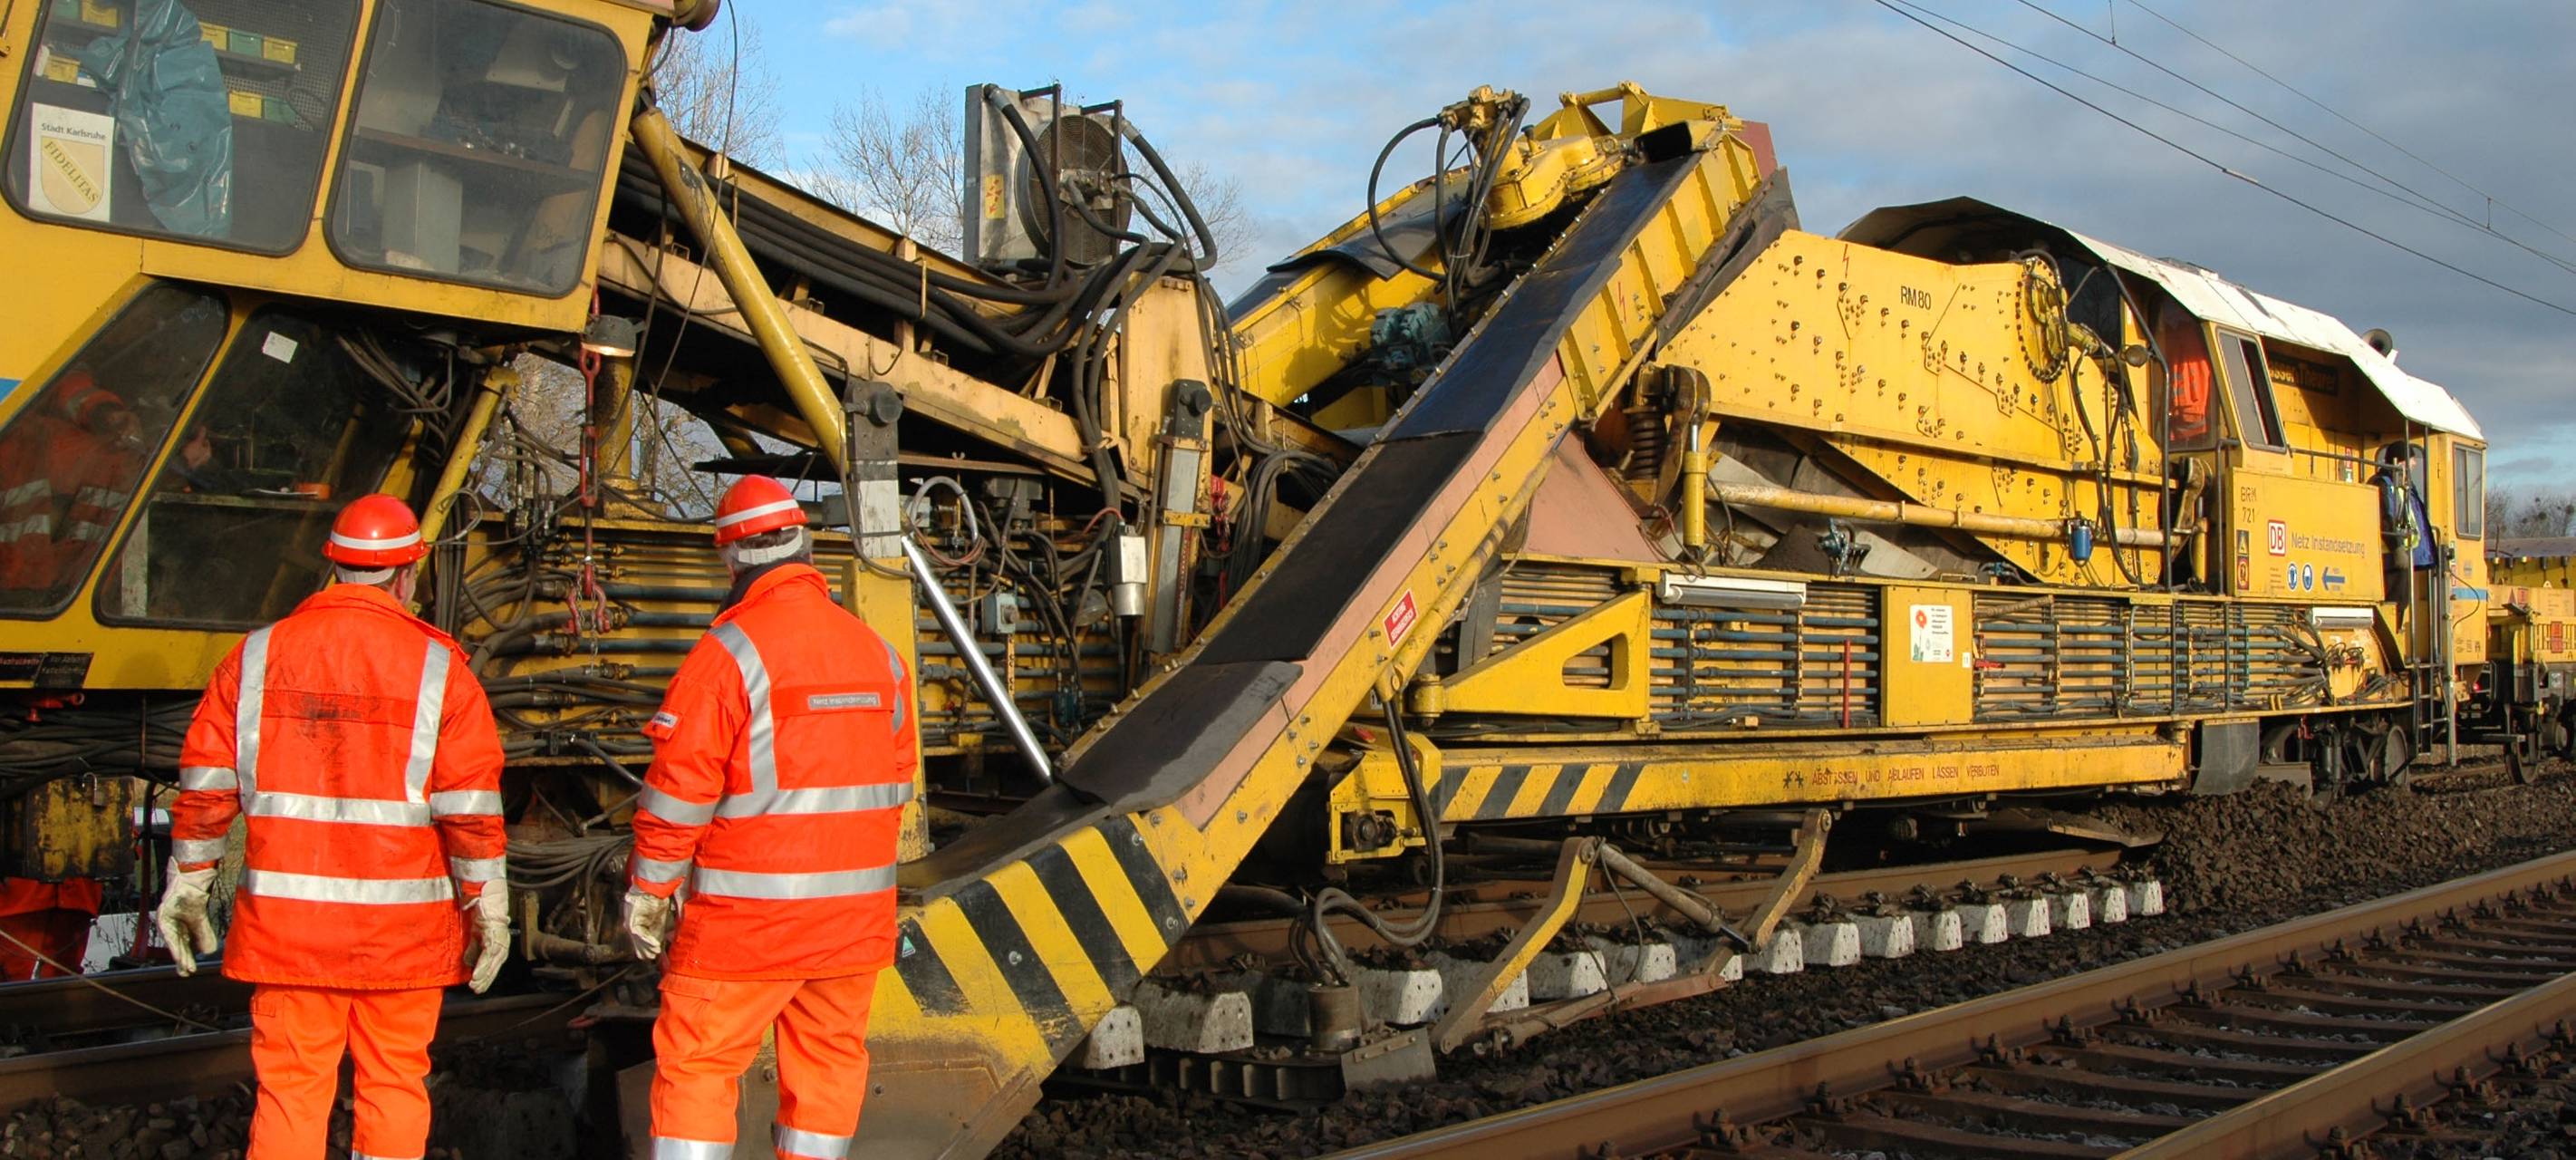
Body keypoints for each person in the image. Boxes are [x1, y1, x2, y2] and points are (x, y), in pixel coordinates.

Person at [152, 494, 510, 1160]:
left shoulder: (256, 657)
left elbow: (205, 786)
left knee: (291, 1090)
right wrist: (486, 904)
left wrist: (190, 881)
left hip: (292, 932)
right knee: (396, 1083)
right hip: (400, 937)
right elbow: (471, 809)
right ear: (409, 572)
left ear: (333, 567)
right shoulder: (440, 669)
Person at [625, 476, 915, 1160]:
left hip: (746, 926)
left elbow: (678, 793)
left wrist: (650, 891)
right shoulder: (878, 655)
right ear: (805, 548)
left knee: (698, 1065)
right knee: (827, 1069)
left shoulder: (727, 656)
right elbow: (897, 779)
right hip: (850, 926)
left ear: (731, 561)